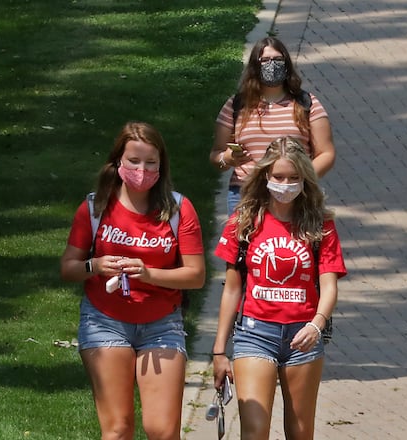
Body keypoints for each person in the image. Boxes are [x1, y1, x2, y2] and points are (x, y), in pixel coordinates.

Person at [59, 121, 206, 440]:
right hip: (104, 322)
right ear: (118, 162)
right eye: (134, 161)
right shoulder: (95, 207)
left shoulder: (179, 209)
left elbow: (195, 276)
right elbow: (68, 267)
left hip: (162, 323)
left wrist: (148, 273)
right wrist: (95, 265)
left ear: (161, 165)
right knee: (117, 429)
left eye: (150, 162)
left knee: (163, 431)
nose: (142, 170)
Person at [211, 137, 347, 439]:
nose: (285, 184)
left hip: (303, 337)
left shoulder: (319, 223)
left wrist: (317, 324)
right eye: (279, 177)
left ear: (305, 179)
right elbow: (232, 289)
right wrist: (219, 350)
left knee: (300, 432)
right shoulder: (244, 221)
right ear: (265, 177)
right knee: (255, 430)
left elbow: (329, 284)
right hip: (254, 333)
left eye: (294, 178)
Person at [209, 37, 336, 214]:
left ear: (287, 64)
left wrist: (302, 179)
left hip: (295, 194)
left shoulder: (307, 103)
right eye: (266, 60)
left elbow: (326, 152)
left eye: (278, 60)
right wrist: (227, 159)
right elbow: (216, 155)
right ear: (255, 65)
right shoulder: (236, 105)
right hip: (246, 195)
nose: (272, 65)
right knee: (244, 242)